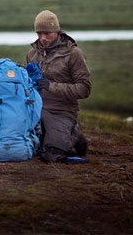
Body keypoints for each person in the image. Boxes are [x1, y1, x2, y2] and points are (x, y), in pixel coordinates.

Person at [26, 10, 92, 163]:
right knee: (20, 142)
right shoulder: (32, 53)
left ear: (56, 30)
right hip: (35, 109)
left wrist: (51, 86)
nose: (42, 38)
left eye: (47, 33)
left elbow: (84, 89)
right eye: (39, 33)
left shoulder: (74, 54)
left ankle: (74, 135)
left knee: (51, 154)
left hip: (62, 112)